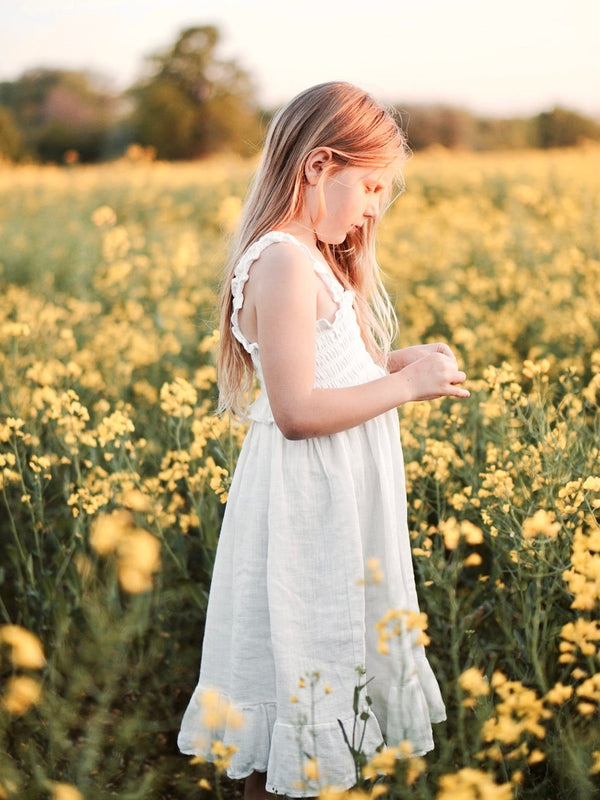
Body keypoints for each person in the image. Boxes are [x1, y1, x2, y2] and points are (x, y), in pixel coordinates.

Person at [177, 81, 470, 798]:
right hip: (306, 507)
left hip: (339, 504)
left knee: (332, 664)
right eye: (370, 187)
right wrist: (404, 388)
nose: (375, 207)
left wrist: (401, 363)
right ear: (317, 167)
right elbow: (301, 408)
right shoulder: (281, 260)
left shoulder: (316, 259)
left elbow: (333, 375)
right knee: (301, 665)